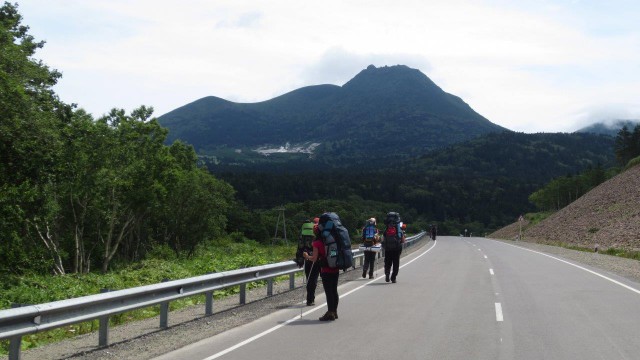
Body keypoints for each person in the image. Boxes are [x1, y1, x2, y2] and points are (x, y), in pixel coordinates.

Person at [303, 223, 340, 321]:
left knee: (329, 292)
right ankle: (335, 311)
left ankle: (330, 312)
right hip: (335, 268)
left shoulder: (317, 243)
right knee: (334, 290)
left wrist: (307, 256)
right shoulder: (333, 240)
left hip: (326, 270)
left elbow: (314, 258)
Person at [296, 218, 320, 306]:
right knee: (313, 279)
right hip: (315, 258)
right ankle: (311, 299)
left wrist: (300, 258)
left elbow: (300, 246)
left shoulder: (303, 233)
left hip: (306, 257)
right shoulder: (317, 232)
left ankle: (309, 299)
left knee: (309, 278)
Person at [382, 212, 406, 283]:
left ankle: (387, 273)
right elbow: (402, 240)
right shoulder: (399, 230)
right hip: (396, 249)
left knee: (387, 262)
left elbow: (383, 240)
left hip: (388, 249)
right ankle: (393, 278)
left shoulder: (386, 230)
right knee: (396, 263)